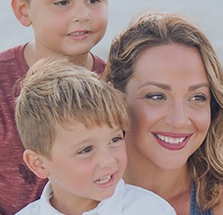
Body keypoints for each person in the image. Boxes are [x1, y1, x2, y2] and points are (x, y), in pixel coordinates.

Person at [0, 0, 109, 214]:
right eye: (62, 2)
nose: (82, 15)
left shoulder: (117, 83)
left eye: (94, 0)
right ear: (23, 9)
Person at [105, 12, 223, 215]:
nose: (179, 120)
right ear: (114, 99)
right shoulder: (67, 199)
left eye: (197, 97)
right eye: (156, 96)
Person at [14, 57, 176, 215]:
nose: (109, 161)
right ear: (39, 164)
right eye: (86, 150)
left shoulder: (151, 210)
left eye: (115, 139)